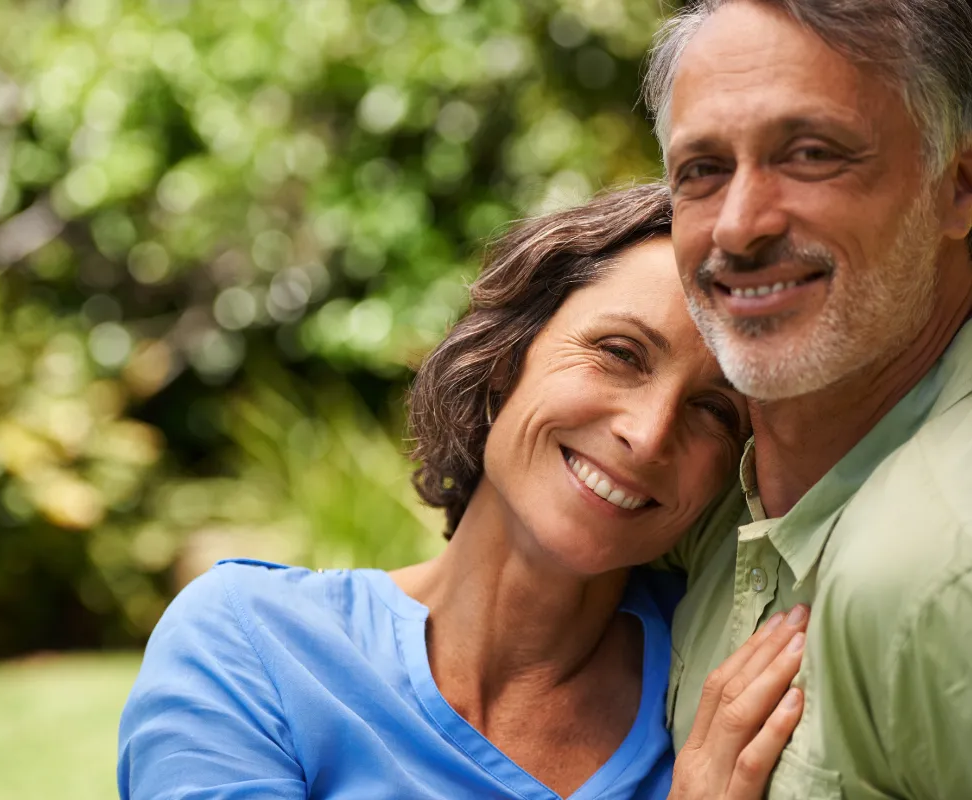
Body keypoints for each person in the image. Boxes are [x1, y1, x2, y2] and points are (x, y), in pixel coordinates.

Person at [117, 185, 809, 800]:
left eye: (715, 411)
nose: (650, 434)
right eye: (620, 353)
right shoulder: (251, 643)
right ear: (507, 359)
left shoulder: (726, 674)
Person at [642, 1, 972, 798]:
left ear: (959, 188)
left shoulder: (939, 570)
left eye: (813, 154)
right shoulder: (707, 489)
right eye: (702, 170)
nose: (741, 226)